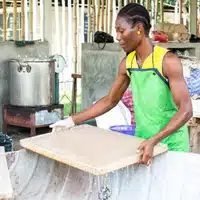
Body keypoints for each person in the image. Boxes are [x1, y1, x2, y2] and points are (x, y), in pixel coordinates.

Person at [50, 3, 192, 165]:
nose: (117, 37)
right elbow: (110, 100)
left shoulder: (167, 61)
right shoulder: (127, 63)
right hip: (144, 142)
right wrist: (71, 120)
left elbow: (186, 110)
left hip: (172, 144)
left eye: (121, 30)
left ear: (139, 29)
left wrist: (155, 140)